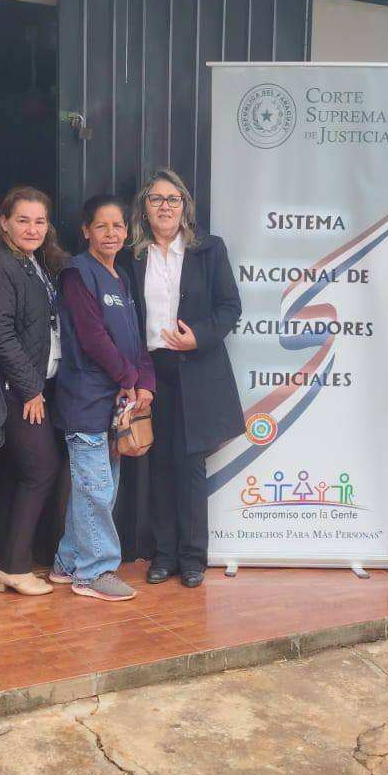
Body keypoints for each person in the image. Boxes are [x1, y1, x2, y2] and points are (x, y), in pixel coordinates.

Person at [126, 168, 243, 589]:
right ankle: (164, 555)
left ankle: (193, 557)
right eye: (156, 199)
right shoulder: (131, 255)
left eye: (172, 199)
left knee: (190, 463)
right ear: (145, 208)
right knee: (158, 463)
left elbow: (230, 307)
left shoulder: (209, 249)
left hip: (195, 369)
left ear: (184, 207)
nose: (165, 206)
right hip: (150, 370)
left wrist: (198, 336)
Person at [53, 194, 155, 601]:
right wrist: (128, 378)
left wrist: (144, 382)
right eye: (101, 225)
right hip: (86, 399)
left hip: (117, 400)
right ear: (86, 231)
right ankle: (94, 571)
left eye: (118, 225)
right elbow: (93, 337)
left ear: (126, 231)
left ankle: (67, 563)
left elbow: (136, 338)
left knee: (97, 488)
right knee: (95, 488)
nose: (111, 233)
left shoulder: (121, 277)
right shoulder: (78, 274)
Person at [0, 187, 67, 597]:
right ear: (4, 222)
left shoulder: (33, 262)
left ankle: (1, 563)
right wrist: (31, 389)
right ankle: (16, 566)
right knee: (41, 469)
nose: (32, 229)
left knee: (18, 472)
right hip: (18, 389)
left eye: (40, 221)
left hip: (33, 385)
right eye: (23, 220)